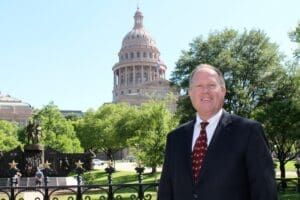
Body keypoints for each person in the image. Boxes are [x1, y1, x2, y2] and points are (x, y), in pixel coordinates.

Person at [158, 64, 278, 200]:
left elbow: (265, 192)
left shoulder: (248, 132)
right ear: (190, 93)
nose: (205, 91)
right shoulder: (175, 138)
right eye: (199, 86)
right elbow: (166, 192)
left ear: (223, 91)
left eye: (211, 85)